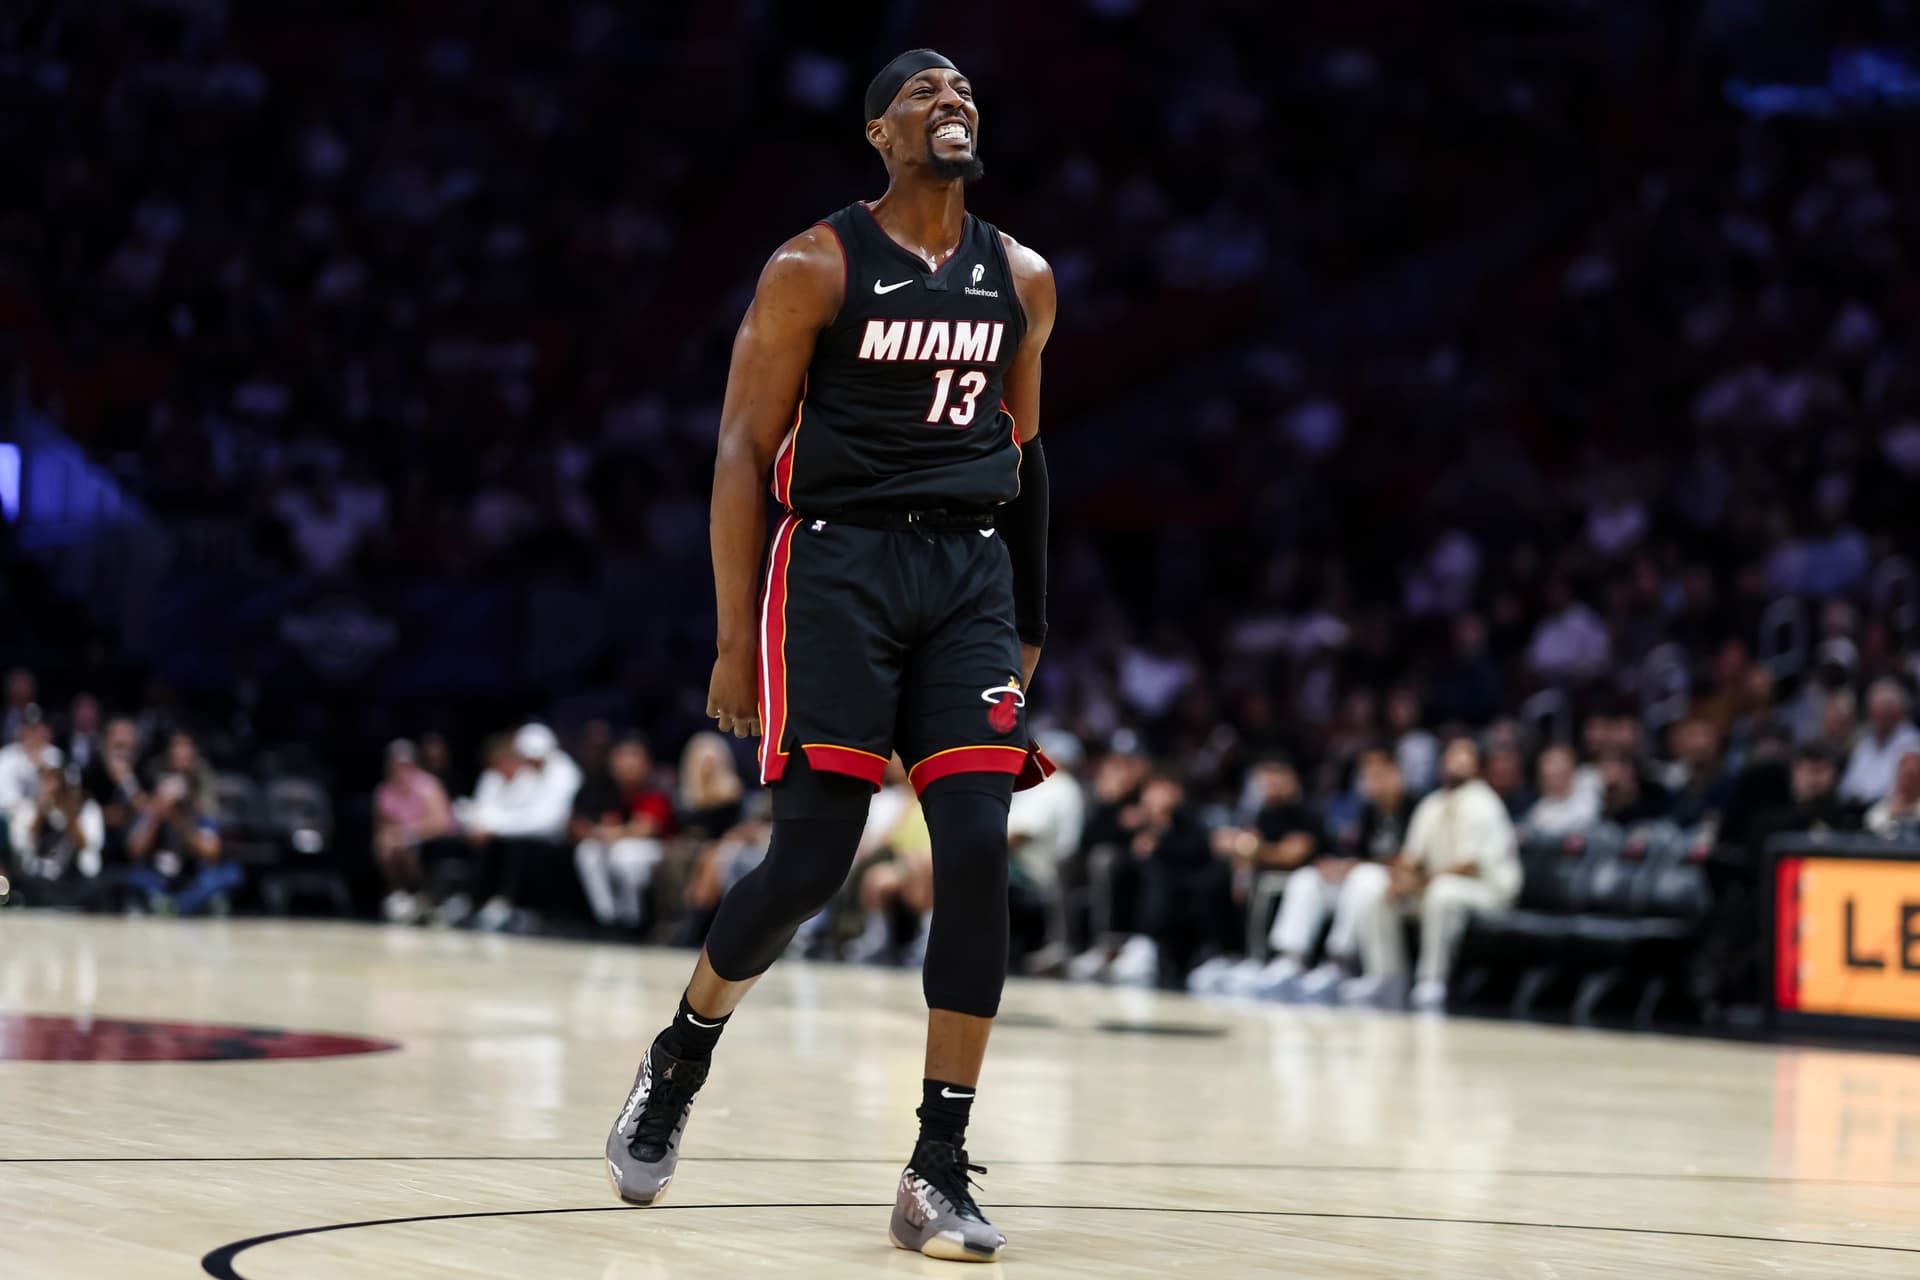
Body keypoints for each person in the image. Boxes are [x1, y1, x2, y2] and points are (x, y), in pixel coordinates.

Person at [604, 49, 1056, 1263]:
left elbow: (1031, 457)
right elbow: (742, 454)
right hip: (836, 571)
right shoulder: (812, 264)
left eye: (964, 87)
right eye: (922, 90)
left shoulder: (1023, 275)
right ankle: (683, 1049)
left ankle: (937, 1164)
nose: (950, 98)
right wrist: (731, 639)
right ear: (877, 131)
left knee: (973, 847)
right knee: (810, 863)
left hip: (968, 574)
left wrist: (1031, 622)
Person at [1340, 737, 1521, 1011]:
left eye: (1464, 757)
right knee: (1377, 888)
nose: (1455, 762)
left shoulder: (1485, 803)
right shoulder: (1432, 803)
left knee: (1444, 890)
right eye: (1451, 756)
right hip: (1434, 884)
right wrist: (1400, 878)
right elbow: (1411, 856)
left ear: (1478, 766)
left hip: (1488, 891)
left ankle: (1432, 981)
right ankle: (1385, 976)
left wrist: (1420, 881)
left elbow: (1468, 866)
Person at [1269, 750, 1409, 999]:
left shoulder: (1413, 807)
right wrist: (1338, 866)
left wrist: (1354, 866)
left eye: (1377, 776)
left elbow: (1410, 859)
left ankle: (1340, 961)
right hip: (1362, 883)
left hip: (1395, 886)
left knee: (1363, 876)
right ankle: (1292, 959)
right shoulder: (1368, 811)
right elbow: (1356, 854)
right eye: (1365, 777)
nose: (1369, 783)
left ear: (1396, 775)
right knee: (1308, 878)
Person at [448, 723, 582, 931]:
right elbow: (513, 809)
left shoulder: (565, 773)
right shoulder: (529, 771)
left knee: (514, 846)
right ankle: (475, 900)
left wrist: (495, 827)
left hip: (554, 839)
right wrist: (489, 826)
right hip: (524, 834)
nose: (528, 763)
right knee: (490, 843)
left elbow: (548, 822)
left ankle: (505, 903)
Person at [572, 738, 675, 930]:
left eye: (633, 763)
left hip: (658, 850)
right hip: (620, 846)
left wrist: (611, 832)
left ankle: (633, 919)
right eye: (622, 763)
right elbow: (583, 823)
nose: (627, 768)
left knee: (623, 855)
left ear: (646, 765)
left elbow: (646, 829)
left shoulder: (656, 789)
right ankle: (607, 917)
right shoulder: (609, 791)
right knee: (587, 851)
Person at [373, 739, 458, 923]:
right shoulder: (384, 791)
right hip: (402, 842)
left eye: (405, 765)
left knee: (406, 848)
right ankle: (399, 895)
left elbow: (441, 822)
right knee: (385, 845)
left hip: (435, 841)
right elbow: (383, 825)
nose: (401, 769)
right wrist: (389, 836)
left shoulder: (428, 786)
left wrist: (407, 833)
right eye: (396, 764)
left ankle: (420, 896)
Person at [1838, 679, 1920, 805]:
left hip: (1891, 810)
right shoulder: (1864, 740)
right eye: (1877, 706)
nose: (1881, 712)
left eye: (1887, 706)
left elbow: (1902, 787)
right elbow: (1847, 786)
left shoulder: (1912, 741)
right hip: (1858, 809)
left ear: (1899, 711)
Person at [1519, 744, 1598, 839]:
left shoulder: (1587, 788)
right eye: (1545, 777)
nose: (1551, 780)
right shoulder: (1539, 810)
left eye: (1557, 774)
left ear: (1570, 771)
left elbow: (1583, 820)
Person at [1864, 750, 1920, 838]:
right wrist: (1892, 815)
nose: (1908, 783)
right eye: (1905, 776)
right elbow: (1872, 825)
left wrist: (1908, 811)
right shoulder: (1885, 806)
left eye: (1912, 776)